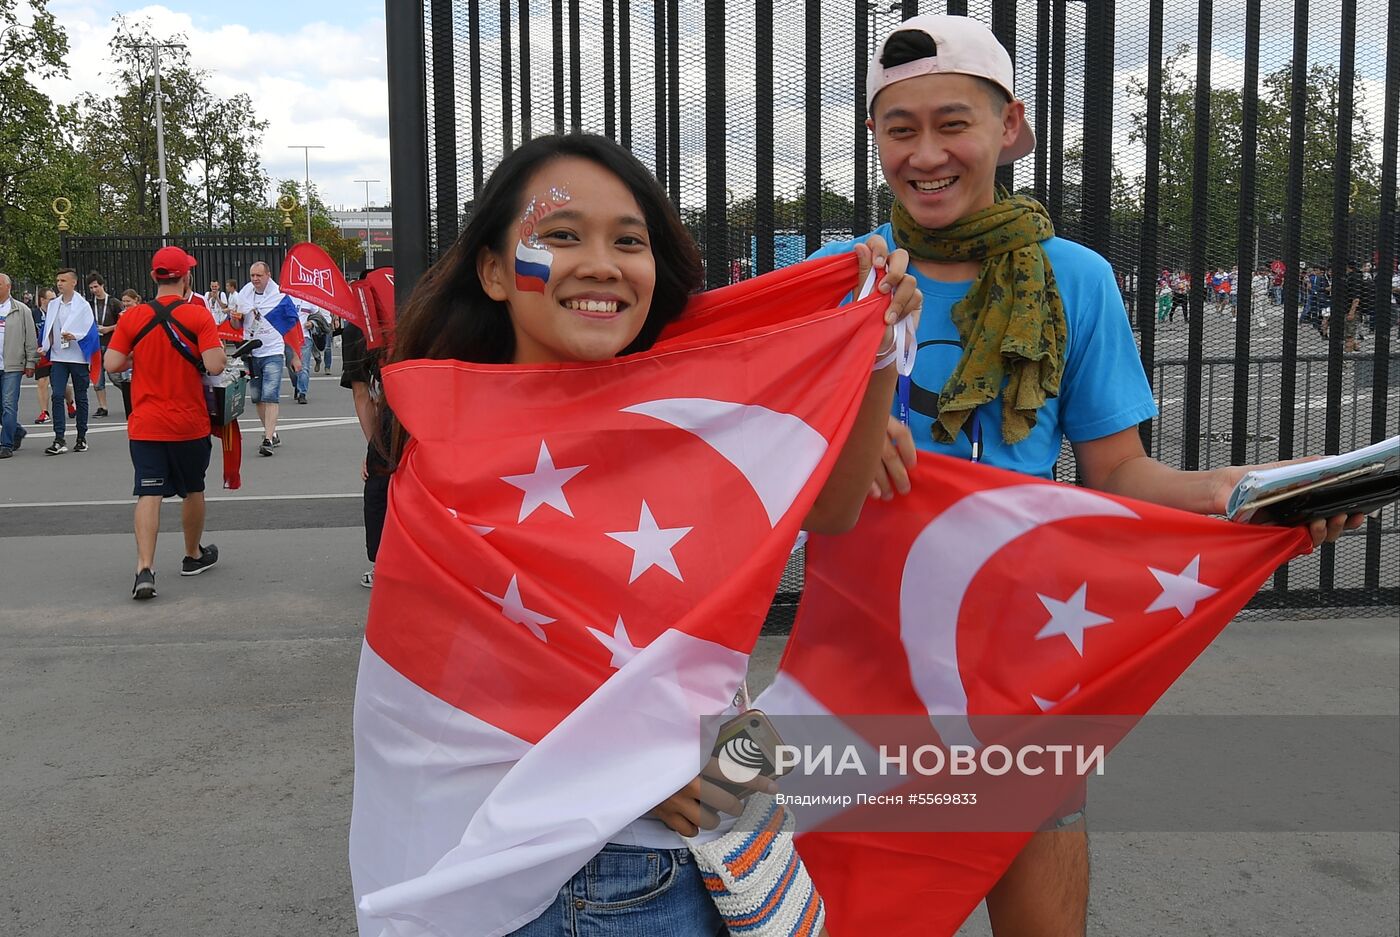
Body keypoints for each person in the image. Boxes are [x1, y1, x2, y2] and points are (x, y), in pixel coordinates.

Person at [821, 15, 1368, 937]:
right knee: (855, 909)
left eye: (953, 123)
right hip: (855, 652)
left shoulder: (1074, 278)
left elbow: (1124, 473)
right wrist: (838, 429)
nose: (927, 153)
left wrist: (1262, 493)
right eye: (899, 128)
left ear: (1010, 129)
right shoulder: (837, 280)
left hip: (1012, 650)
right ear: (874, 139)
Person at [353, 132, 918, 936]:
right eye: (560, 234)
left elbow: (831, 510)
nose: (603, 263)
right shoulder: (448, 456)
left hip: (714, 836)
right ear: (492, 269)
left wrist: (877, 346)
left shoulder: (684, 411)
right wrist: (631, 769)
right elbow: (434, 701)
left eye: (629, 240)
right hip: (590, 874)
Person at [104, 247, 226, 600]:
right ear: (185, 278)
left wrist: (138, 352)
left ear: (154, 277)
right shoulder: (198, 316)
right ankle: (192, 554)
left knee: (148, 491)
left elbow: (112, 363)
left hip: (145, 422)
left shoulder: (132, 316)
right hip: (188, 422)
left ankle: (145, 568)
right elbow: (215, 365)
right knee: (193, 488)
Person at [338, 314, 388, 588]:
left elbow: (362, 394)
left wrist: (373, 446)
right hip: (432, 412)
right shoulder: (420, 302)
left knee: (379, 489)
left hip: (392, 421)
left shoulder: (359, 324)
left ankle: (383, 565)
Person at [232, 261, 299, 455]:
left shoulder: (280, 296)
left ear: (268, 275)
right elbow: (236, 325)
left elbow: (292, 326)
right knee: (257, 397)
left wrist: (295, 355)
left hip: (273, 350)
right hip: (251, 352)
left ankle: (268, 439)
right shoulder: (244, 295)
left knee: (270, 394)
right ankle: (271, 431)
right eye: (252, 275)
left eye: (259, 276)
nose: (255, 279)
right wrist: (235, 318)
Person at [40, 268, 97, 454]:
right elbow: (49, 328)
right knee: (57, 395)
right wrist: (45, 346)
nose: (59, 284)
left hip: (78, 357)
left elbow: (90, 330)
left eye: (63, 280)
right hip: (59, 357)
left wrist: (76, 336)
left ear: (74, 283)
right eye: (58, 280)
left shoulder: (82, 305)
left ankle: (81, 436)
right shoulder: (54, 304)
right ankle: (59, 438)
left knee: (81, 396)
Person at [0, 273, 38, 458]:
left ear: (8, 287)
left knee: (8, 405)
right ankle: (17, 431)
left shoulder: (21, 310)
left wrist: (31, 362)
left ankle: (5, 444)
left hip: (12, 365)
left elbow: (30, 338)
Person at [89, 272, 123, 417]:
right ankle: (103, 407)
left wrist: (109, 328)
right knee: (97, 378)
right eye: (91, 288)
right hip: (95, 345)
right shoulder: (89, 305)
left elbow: (123, 322)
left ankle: (132, 397)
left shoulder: (114, 303)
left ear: (102, 285)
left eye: (96, 286)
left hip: (111, 344)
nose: (94, 290)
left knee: (115, 377)